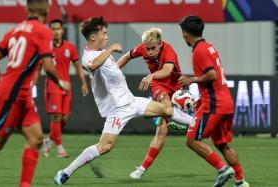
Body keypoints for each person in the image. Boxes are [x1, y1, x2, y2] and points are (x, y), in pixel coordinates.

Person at [54, 16, 192, 185]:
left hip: (131, 102)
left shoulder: (103, 54)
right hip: (117, 110)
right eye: (104, 33)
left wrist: (119, 75)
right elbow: (92, 65)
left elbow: (111, 68)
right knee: (105, 146)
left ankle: (198, 123)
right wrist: (111, 49)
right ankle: (65, 172)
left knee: (167, 110)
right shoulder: (89, 55)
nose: (107, 37)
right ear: (93, 37)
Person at [0, 0, 70, 186]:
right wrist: (61, 83)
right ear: (46, 9)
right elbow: (47, 66)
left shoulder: (15, 30)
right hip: (12, 95)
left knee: (36, 139)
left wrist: (1, 80)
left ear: (26, 8)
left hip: (22, 96)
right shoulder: (42, 30)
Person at [178, 16, 249, 187]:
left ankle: (223, 169)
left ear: (186, 34)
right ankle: (240, 180)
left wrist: (191, 80)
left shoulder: (199, 51)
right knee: (221, 144)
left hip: (215, 104)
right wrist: (201, 99)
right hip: (225, 102)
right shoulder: (209, 47)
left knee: (192, 140)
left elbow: (212, 75)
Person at [117, 27, 188, 179]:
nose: (149, 52)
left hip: (176, 85)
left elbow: (167, 71)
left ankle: (163, 118)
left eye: (153, 48)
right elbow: (126, 56)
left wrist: (151, 75)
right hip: (158, 84)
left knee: (164, 122)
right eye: (147, 49)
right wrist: (115, 72)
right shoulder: (142, 48)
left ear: (160, 44)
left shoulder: (169, 51)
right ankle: (142, 169)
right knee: (163, 118)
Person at [42, 19, 89, 158]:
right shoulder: (46, 47)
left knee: (64, 119)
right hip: (52, 86)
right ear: (50, 31)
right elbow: (40, 65)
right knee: (56, 117)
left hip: (66, 87)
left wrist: (83, 83)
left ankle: (48, 141)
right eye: (53, 29)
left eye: (58, 28)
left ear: (62, 30)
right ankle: (60, 149)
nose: (56, 31)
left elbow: (77, 66)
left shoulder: (70, 47)